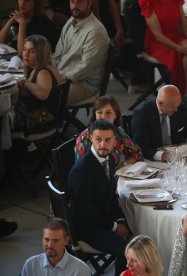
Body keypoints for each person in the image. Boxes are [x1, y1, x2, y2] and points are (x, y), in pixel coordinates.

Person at [68, 119, 131, 275]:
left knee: (140, 231)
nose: (103, 144)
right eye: (98, 139)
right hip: (86, 227)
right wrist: (115, 227)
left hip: (101, 218)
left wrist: (121, 220)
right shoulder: (81, 171)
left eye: (107, 139)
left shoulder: (108, 158)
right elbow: (86, 213)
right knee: (127, 251)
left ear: (115, 141)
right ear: (91, 139)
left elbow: (109, 197)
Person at [138, 0, 187, 104]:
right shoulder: (147, 1)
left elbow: (186, 26)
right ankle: (178, 96)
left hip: (174, 36)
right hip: (157, 43)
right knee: (185, 52)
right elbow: (158, 35)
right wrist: (180, 49)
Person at [53, 0, 109, 106]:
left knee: (47, 96)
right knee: (33, 89)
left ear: (89, 3)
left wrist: (60, 78)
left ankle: (52, 122)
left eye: (80, 2)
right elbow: (57, 55)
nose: (75, 6)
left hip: (83, 85)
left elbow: (85, 68)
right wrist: (49, 71)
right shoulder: (70, 22)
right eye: (72, 1)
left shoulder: (96, 31)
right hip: (62, 76)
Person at [131, 84, 187, 161]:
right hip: (152, 160)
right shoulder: (142, 112)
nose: (176, 110)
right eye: (172, 107)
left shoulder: (178, 107)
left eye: (178, 105)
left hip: (176, 158)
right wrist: (162, 155)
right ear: (160, 103)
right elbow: (140, 145)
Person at [10, 35, 62, 133]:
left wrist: (24, 81)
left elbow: (43, 94)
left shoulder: (43, 73)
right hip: (30, 113)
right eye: (25, 49)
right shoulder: (43, 66)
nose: (26, 54)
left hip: (32, 120)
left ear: (41, 54)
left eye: (32, 51)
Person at [75, 96, 143, 168]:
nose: (104, 117)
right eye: (100, 112)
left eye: (108, 112)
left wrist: (122, 165)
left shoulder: (119, 133)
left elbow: (137, 154)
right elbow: (81, 169)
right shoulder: (84, 138)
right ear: (95, 115)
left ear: (115, 115)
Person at [21, 217, 90, 276]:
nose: (50, 245)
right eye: (46, 239)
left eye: (55, 240)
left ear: (66, 241)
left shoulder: (80, 270)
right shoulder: (31, 265)